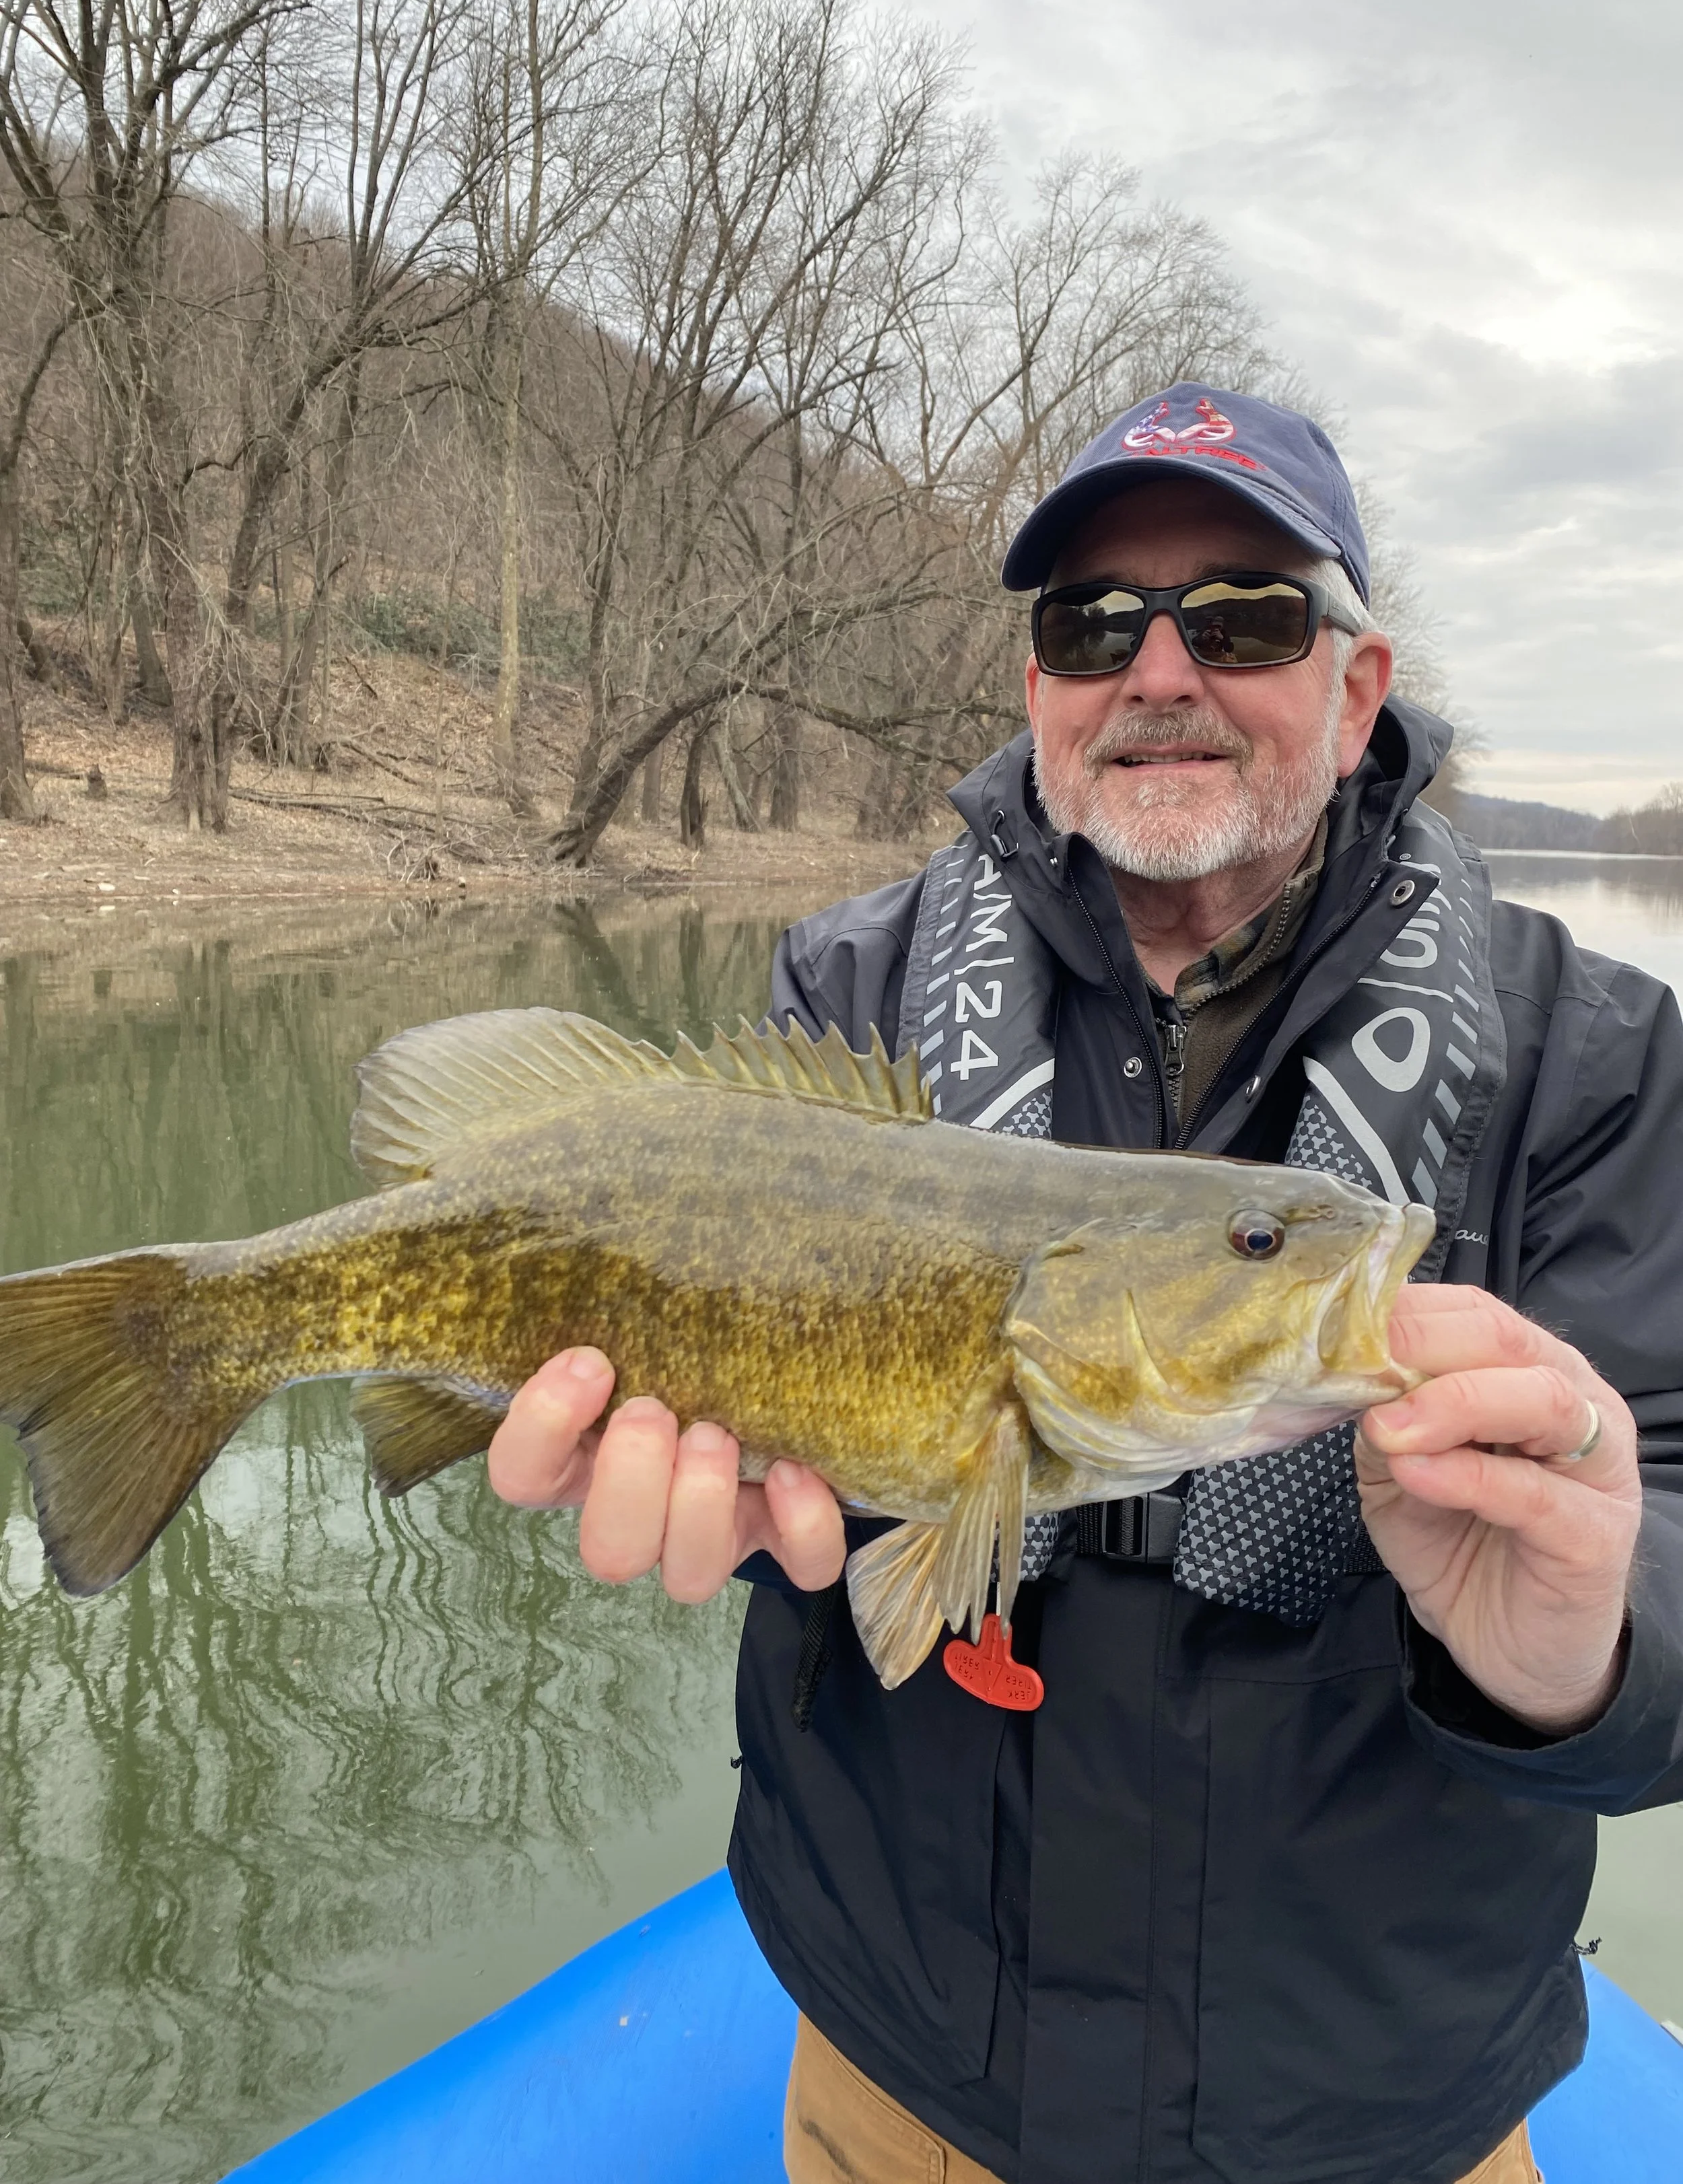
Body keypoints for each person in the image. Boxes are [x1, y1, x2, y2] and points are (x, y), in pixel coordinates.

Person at [486, 385, 1683, 2184]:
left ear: (1358, 688)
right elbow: (783, 1471)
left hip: (1382, 2118)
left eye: (1245, 618)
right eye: (1092, 621)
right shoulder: (846, 992)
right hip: (904, 2069)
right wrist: (707, 1504)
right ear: (1037, 686)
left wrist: (1589, 1649)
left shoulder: (1598, 1060)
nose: (1158, 671)